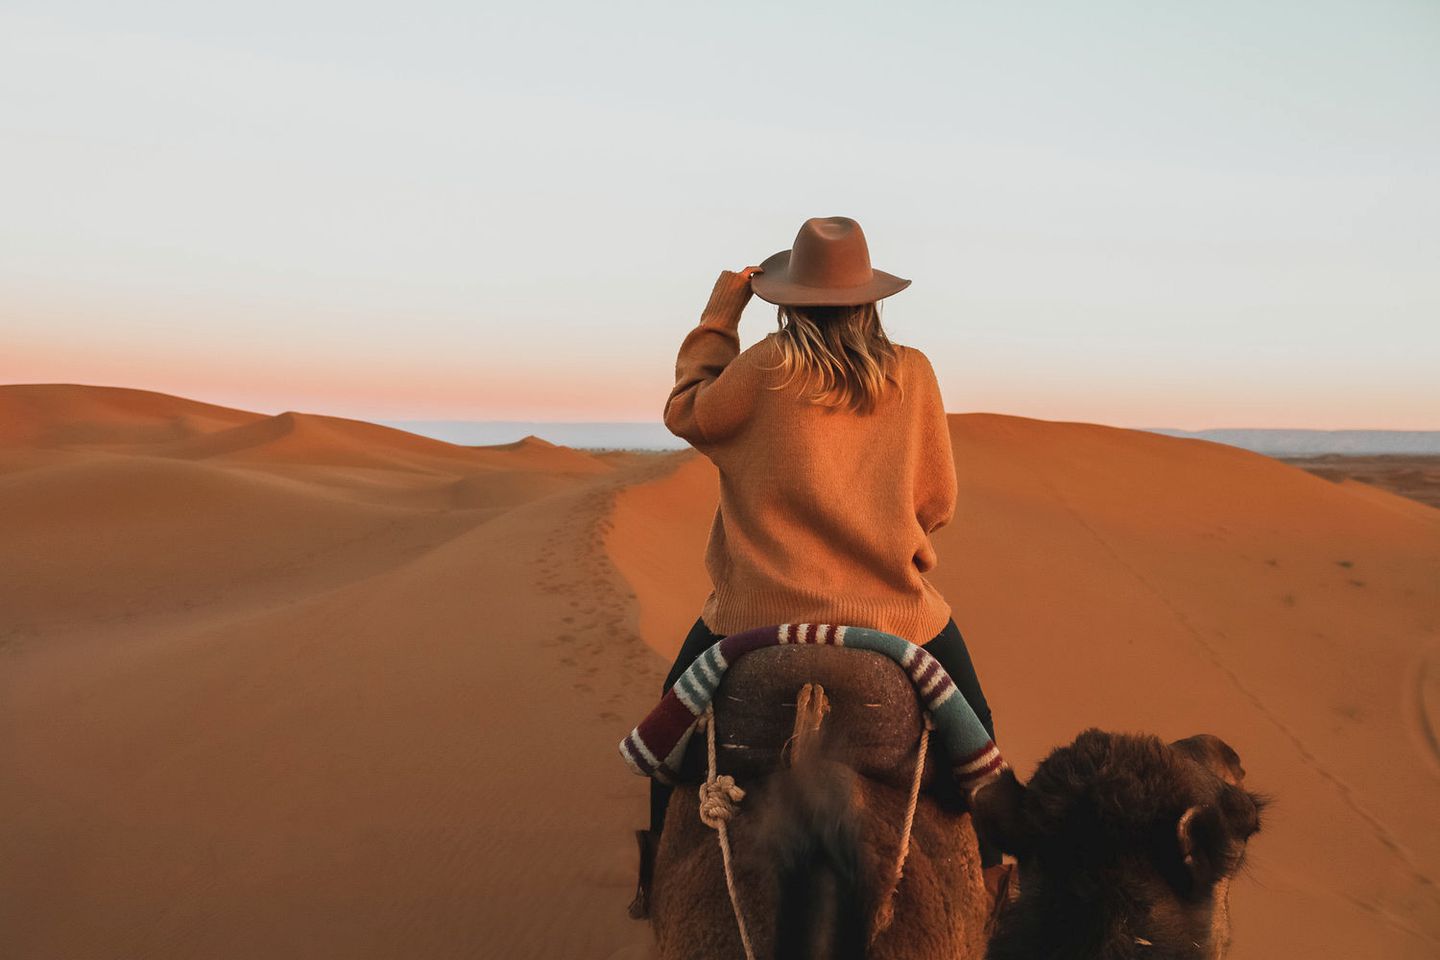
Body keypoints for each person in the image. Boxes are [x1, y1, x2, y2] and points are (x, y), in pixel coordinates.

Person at [627, 216, 1004, 920]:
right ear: (869, 298)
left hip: (755, 614)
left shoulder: (762, 368)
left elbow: (685, 411)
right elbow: (937, 503)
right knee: (977, 742)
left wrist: (720, 313)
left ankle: (653, 883)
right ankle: (988, 886)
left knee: (670, 746)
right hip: (896, 612)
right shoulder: (913, 372)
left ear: (786, 300)